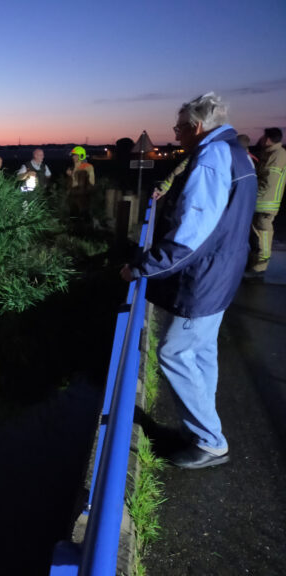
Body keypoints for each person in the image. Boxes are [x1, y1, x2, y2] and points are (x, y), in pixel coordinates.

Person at [120, 92, 257, 469]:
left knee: (175, 352)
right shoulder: (234, 151)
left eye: (179, 127)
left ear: (196, 127)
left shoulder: (212, 158)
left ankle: (210, 441)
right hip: (224, 269)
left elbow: (190, 234)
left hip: (206, 276)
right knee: (202, 352)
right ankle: (199, 429)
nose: (176, 134)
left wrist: (143, 267)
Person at [245, 127, 286, 278]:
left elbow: (268, 181)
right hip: (262, 202)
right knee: (258, 236)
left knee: (262, 237)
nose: (261, 140)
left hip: (265, 203)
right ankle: (255, 265)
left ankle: (259, 269)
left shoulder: (277, 155)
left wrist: (252, 194)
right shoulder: (271, 154)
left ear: (268, 139)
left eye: (263, 137)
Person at [66, 145, 95, 215]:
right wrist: (70, 175)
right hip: (72, 197)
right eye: (73, 155)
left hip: (82, 198)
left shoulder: (88, 167)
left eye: (75, 155)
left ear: (81, 156)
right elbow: (70, 183)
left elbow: (91, 184)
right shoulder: (72, 167)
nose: (73, 157)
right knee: (73, 217)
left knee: (82, 217)